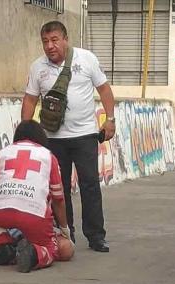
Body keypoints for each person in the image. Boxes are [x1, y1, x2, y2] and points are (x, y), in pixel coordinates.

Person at [21, 21, 116, 253]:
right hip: (52, 139)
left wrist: (110, 120)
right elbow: (30, 99)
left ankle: (96, 236)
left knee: (90, 185)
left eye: (54, 40)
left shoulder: (86, 59)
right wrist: (25, 132)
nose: (50, 46)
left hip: (85, 136)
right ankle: (65, 233)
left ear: (65, 39)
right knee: (58, 189)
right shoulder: (37, 68)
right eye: (45, 42)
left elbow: (104, 89)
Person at [0, 120, 75, 272]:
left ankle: (4, 244)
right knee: (58, 249)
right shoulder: (48, 156)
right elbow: (58, 200)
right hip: (35, 215)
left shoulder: (3, 153)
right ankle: (34, 254)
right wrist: (65, 229)